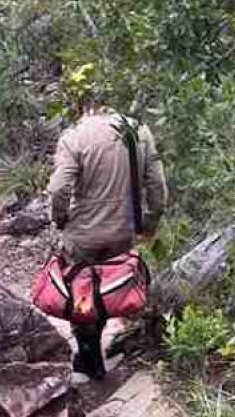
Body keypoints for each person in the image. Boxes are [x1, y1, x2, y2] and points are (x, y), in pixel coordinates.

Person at [47, 92, 167, 380]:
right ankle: (97, 348)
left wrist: (60, 218)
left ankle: (89, 355)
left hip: (83, 233)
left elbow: (59, 189)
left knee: (82, 291)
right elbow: (158, 187)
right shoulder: (138, 132)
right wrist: (149, 222)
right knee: (108, 289)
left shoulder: (74, 136)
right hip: (122, 230)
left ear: (86, 106)